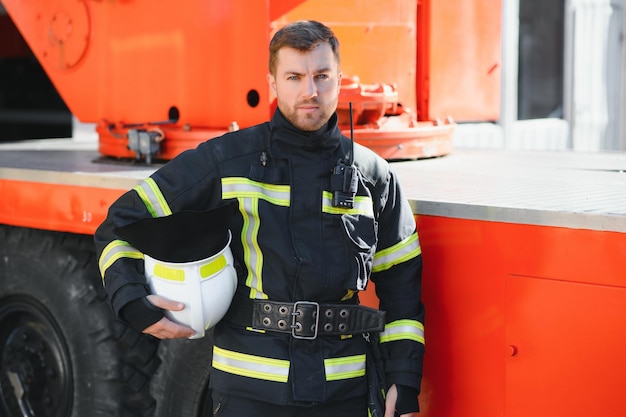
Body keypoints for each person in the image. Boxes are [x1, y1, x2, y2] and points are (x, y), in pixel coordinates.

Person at [94, 20, 425, 417]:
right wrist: (132, 301)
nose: (310, 91)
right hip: (250, 391)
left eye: (322, 76)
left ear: (339, 79)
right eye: (294, 77)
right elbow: (121, 220)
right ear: (272, 83)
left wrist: (403, 381)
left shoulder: (374, 177)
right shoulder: (227, 161)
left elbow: (403, 284)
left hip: (345, 391)